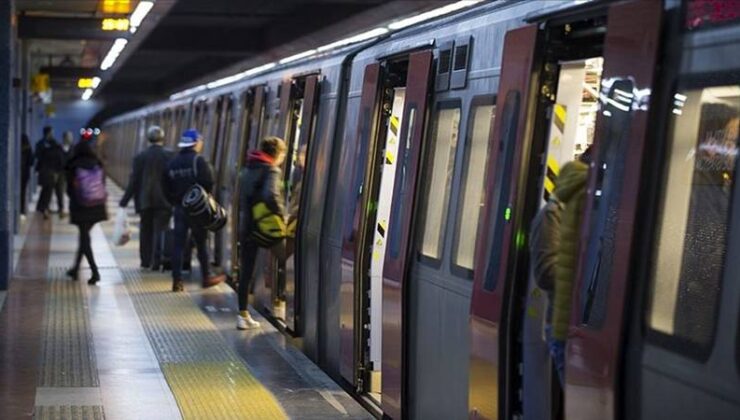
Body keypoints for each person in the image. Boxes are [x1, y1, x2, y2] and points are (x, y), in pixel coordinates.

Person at [531, 148, 590, 385]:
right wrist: (584, 277)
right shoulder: (552, 215)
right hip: (564, 328)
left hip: (583, 328)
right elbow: (546, 273)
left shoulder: (589, 207)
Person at [163, 129, 225, 292]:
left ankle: (177, 281)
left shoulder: (172, 163)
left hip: (179, 209)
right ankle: (206, 276)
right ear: (196, 143)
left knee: (178, 245)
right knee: (201, 243)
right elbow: (208, 183)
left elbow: (165, 187)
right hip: (198, 211)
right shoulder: (199, 161)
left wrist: (175, 202)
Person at [236, 136, 287, 330]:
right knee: (287, 260)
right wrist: (281, 214)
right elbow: (271, 195)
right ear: (277, 154)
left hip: (248, 226)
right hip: (266, 227)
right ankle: (282, 301)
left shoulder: (248, 168)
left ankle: (242, 314)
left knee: (246, 271)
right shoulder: (272, 170)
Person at [120, 126, 174, 270]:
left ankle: (145, 261)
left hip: (145, 201)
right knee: (161, 231)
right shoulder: (169, 156)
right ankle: (157, 262)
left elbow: (134, 181)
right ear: (163, 138)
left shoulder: (140, 157)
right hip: (164, 201)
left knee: (145, 232)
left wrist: (124, 201)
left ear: (148, 139)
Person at [65, 136, 108, 285]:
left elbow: (69, 190)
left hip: (81, 207)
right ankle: (75, 269)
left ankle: (95, 272)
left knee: (84, 239)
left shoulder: (73, 165)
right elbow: (103, 184)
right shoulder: (98, 163)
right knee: (84, 238)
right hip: (96, 206)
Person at [35, 126, 66, 219]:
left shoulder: (40, 145)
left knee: (47, 192)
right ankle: (58, 210)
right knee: (57, 192)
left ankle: (44, 209)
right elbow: (61, 160)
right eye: (51, 132)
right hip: (55, 173)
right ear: (49, 133)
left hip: (46, 172)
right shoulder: (56, 146)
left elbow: (37, 157)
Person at [53, 131, 75, 218]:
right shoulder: (58, 148)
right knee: (59, 191)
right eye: (69, 137)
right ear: (64, 138)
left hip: (71, 173)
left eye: (71, 137)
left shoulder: (74, 148)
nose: (71, 139)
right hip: (60, 172)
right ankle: (61, 209)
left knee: (71, 192)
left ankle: (71, 209)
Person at [20, 134, 34, 215]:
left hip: (20, 174)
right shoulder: (28, 149)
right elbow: (31, 162)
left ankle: (21, 209)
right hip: (25, 174)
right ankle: (22, 210)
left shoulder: (18, 149)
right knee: (23, 192)